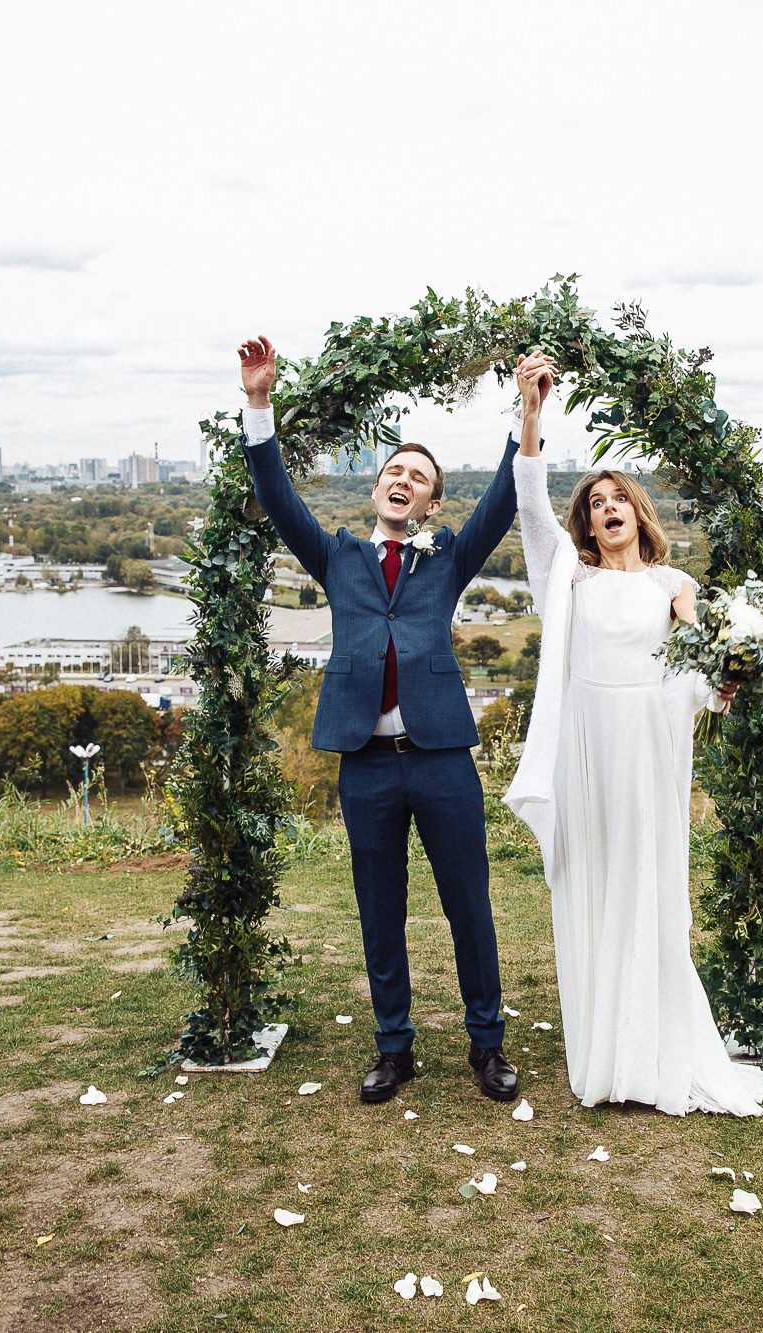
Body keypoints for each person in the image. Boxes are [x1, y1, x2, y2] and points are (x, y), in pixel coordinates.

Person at [235, 336, 520, 1105]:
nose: (403, 480)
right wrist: (260, 402)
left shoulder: (448, 558)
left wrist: (526, 415)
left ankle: (487, 1043)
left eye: (418, 477)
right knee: (379, 908)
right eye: (394, 469)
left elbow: (504, 497)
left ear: (432, 503)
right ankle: (394, 1047)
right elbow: (276, 496)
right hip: (364, 757)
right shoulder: (338, 558)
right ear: (377, 489)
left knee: (469, 901)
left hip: (442, 757)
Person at [502, 354, 763, 1117]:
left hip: (649, 755)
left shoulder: (673, 585)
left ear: (637, 512)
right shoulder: (568, 579)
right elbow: (529, 506)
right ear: (584, 522)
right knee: (592, 889)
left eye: (621, 497)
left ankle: (654, 1051)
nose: (608, 507)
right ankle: (603, 1053)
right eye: (596, 501)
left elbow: (700, 675)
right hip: (586, 752)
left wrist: (726, 672)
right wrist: (530, 415)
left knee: (648, 893)